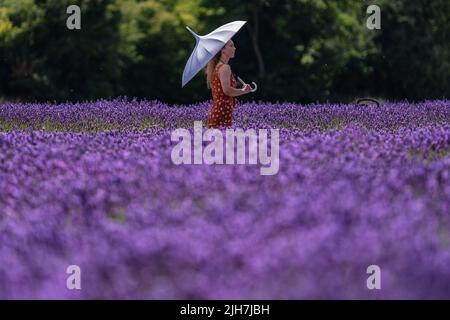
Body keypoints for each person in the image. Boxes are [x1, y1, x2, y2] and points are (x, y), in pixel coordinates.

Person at [204, 40, 252, 128]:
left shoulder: (216, 67)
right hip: (223, 112)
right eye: (231, 46)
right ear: (223, 50)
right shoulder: (225, 67)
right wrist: (243, 91)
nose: (234, 48)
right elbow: (227, 90)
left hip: (218, 110)